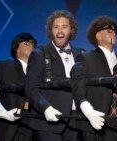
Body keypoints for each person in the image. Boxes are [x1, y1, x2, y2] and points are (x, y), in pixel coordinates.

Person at [70, 15, 117, 141]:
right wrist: (87, 109)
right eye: (109, 30)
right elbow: (77, 83)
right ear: (98, 36)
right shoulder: (86, 57)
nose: (114, 33)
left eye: (115, 31)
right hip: (94, 121)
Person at [25, 10, 84, 141]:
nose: (60, 32)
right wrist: (46, 108)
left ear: (72, 30)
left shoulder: (81, 53)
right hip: (47, 124)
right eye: (56, 27)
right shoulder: (39, 54)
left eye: (64, 27)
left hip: (75, 122)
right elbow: (31, 88)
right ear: (50, 31)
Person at [0, 32, 37, 141]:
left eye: (33, 44)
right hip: (7, 127)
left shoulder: (39, 73)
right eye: (26, 43)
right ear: (16, 48)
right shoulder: (3, 66)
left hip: (33, 129)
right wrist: (0, 111)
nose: (31, 46)